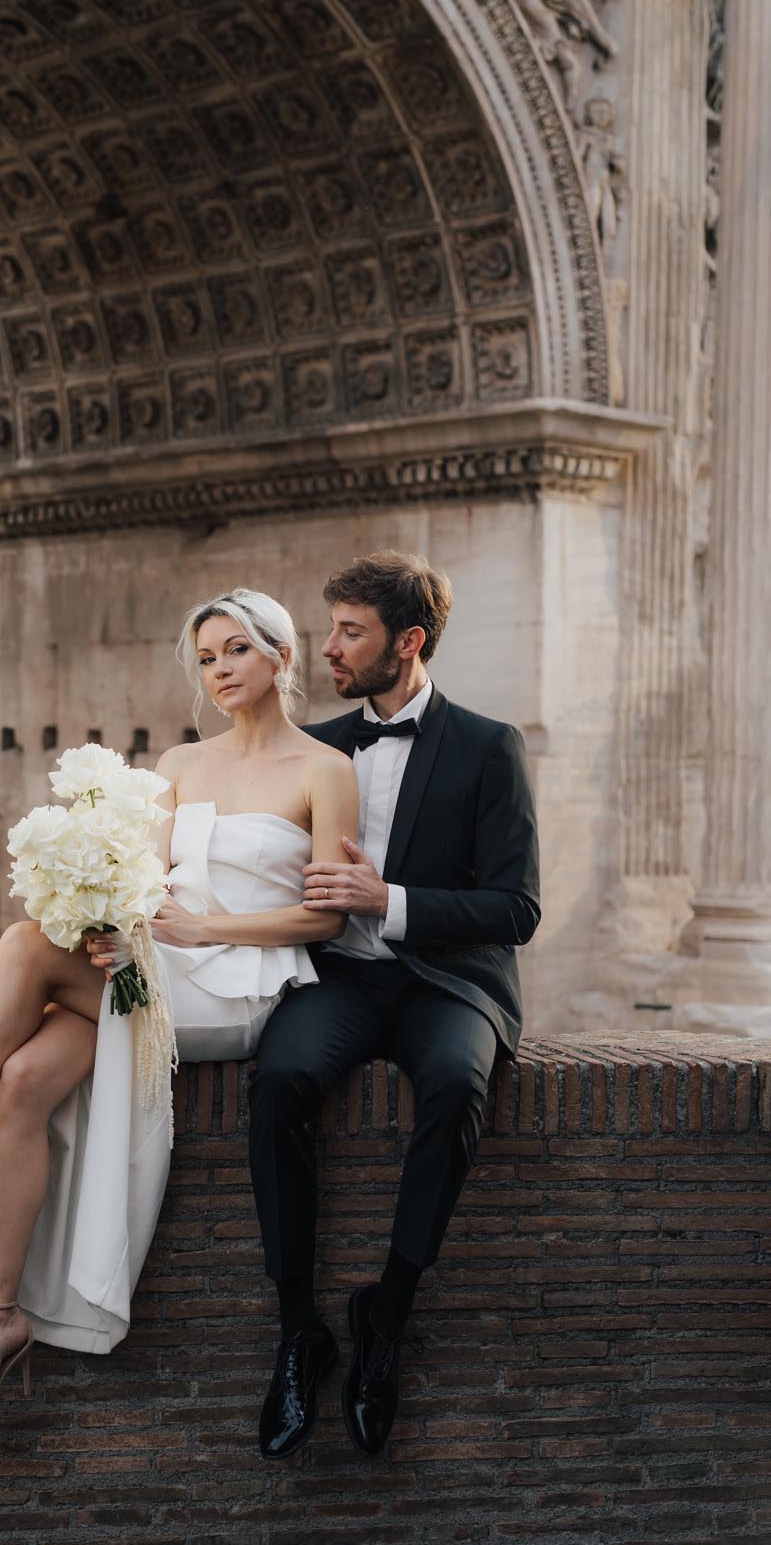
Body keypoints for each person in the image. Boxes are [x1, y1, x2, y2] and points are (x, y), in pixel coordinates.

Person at [0, 588, 358, 1431]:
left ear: (281, 656)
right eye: (205, 658)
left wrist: (206, 927)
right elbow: (142, 887)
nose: (219, 670)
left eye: (236, 650)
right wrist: (111, 927)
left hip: (238, 981)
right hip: (151, 966)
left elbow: (326, 917)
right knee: (23, 1079)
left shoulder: (323, 769)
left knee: (21, 948)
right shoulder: (179, 762)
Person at [249, 551, 540, 1459]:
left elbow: (516, 909)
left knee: (454, 1083)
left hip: (447, 981)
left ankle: (388, 1317)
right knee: (279, 1079)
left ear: (407, 641)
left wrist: (391, 901)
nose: (327, 648)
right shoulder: (314, 745)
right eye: (329, 628)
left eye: (350, 632)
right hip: (337, 977)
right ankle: (298, 1330)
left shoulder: (489, 747)